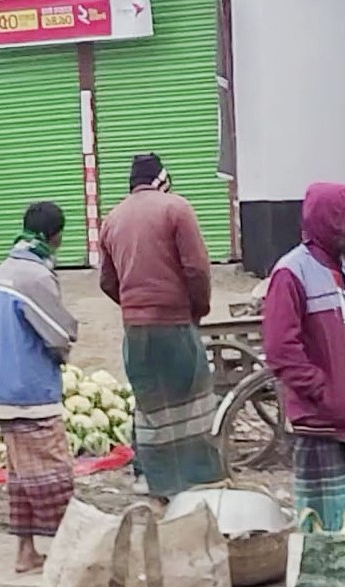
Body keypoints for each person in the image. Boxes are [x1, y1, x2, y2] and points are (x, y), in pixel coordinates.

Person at [98, 152, 226, 503]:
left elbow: (107, 281)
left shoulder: (111, 219)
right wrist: (197, 309)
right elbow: (197, 269)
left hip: (135, 330)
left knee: (150, 404)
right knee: (192, 401)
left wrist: (134, 305)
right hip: (174, 323)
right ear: (162, 179)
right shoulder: (177, 209)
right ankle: (195, 483)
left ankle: (152, 480)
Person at [0, 202, 79, 573]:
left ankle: (26, 552)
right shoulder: (35, 277)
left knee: (20, 473)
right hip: (28, 393)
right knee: (52, 471)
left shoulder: (3, 269)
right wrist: (50, 357)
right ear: (54, 236)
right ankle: (69, 549)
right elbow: (59, 334)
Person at [262, 183, 345, 530]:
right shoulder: (291, 273)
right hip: (321, 423)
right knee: (325, 531)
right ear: (327, 222)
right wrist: (324, 393)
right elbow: (281, 351)